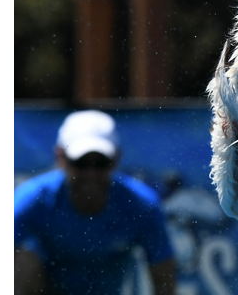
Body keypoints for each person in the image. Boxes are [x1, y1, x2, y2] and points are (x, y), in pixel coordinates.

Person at [15, 110, 176, 295]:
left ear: (116, 159)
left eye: (100, 162)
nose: (90, 173)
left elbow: (164, 277)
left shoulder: (142, 204)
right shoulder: (33, 197)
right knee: (23, 262)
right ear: (60, 158)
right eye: (80, 162)